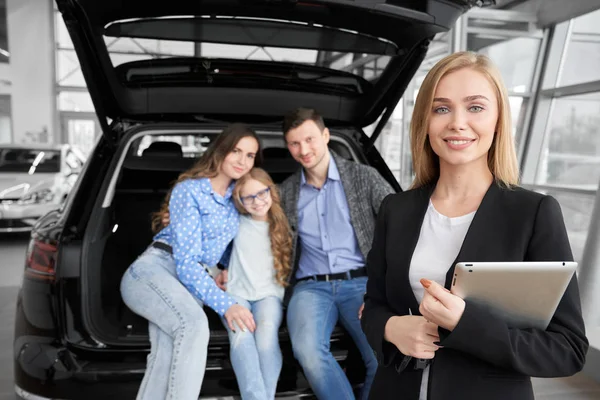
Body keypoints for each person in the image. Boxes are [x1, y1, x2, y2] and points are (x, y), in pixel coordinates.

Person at [360, 51, 589, 400]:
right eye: (441, 108)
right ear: (425, 121)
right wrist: (392, 328)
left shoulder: (533, 212)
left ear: (498, 120)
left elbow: (566, 349)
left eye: (475, 107)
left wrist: (465, 325)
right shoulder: (397, 208)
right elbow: (373, 306)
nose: (457, 122)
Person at [119, 123, 262, 400]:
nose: (242, 160)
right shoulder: (190, 190)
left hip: (193, 279)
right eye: (236, 151)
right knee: (194, 325)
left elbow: (223, 246)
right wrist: (226, 306)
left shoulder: (238, 197)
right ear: (221, 151)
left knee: (164, 356)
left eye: (250, 155)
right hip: (155, 269)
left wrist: (225, 267)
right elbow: (185, 262)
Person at [279, 107, 395, 400]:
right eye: (294, 143)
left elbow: (400, 227)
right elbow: (252, 230)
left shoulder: (363, 177)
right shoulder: (285, 193)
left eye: (309, 139)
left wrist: (381, 289)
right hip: (310, 288)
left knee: (383, 359)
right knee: (308, 351)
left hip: (362, 284)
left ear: (326, 135)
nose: (303, 150)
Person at [213, 167, 292, 400]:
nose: (257, 201)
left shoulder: (284, 223)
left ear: (272, 191)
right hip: (236, 293)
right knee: (241, 335)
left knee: (266, 334)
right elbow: (210, 251)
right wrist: (217, 272)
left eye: (262, 193)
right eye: (249, 197)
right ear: (239, 200)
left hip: (269, 295)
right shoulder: (234, 222)